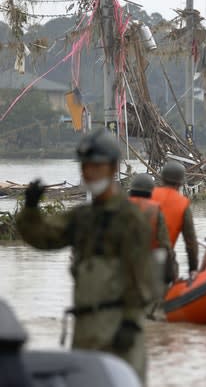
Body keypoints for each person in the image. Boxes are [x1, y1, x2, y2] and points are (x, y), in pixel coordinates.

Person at [16, 128, 153, 382]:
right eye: (85, 166)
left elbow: (143, 277)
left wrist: (131, 322)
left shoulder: (130, 219)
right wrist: (31, 208)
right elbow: (44, 238)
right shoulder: (82, 217)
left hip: (119, 326)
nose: (89, 172)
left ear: (113, 168)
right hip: (84, 327)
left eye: (96, 166)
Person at [151, 161, 199, 280]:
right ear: (181, 182)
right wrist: (193, 269)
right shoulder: (182, 203)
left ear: (162, 179)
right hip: (163, 259)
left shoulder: (148, 195)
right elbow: (190, 242)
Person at [129, 173, 177, 284]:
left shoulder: (118, 207)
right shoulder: (155, 210)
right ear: (151, 191)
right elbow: (165, 245)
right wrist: (171, 275)